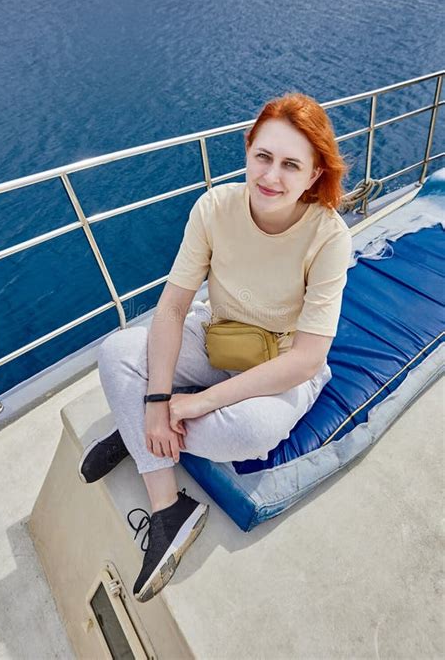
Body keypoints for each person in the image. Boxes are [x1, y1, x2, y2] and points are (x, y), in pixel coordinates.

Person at [78, 92, 352, 603]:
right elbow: (172, 310)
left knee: (246, 434)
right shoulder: (214, 208)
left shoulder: (328, 236)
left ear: (314, 175)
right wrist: (159, 401)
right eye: (263, 157)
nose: (271, 176)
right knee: (116, 352)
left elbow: (308, 358)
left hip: (283, 368)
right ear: (247, 151)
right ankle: (168, 504)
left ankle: (139, 429)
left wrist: (196, 403)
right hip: (218, 337)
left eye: (292, 165)